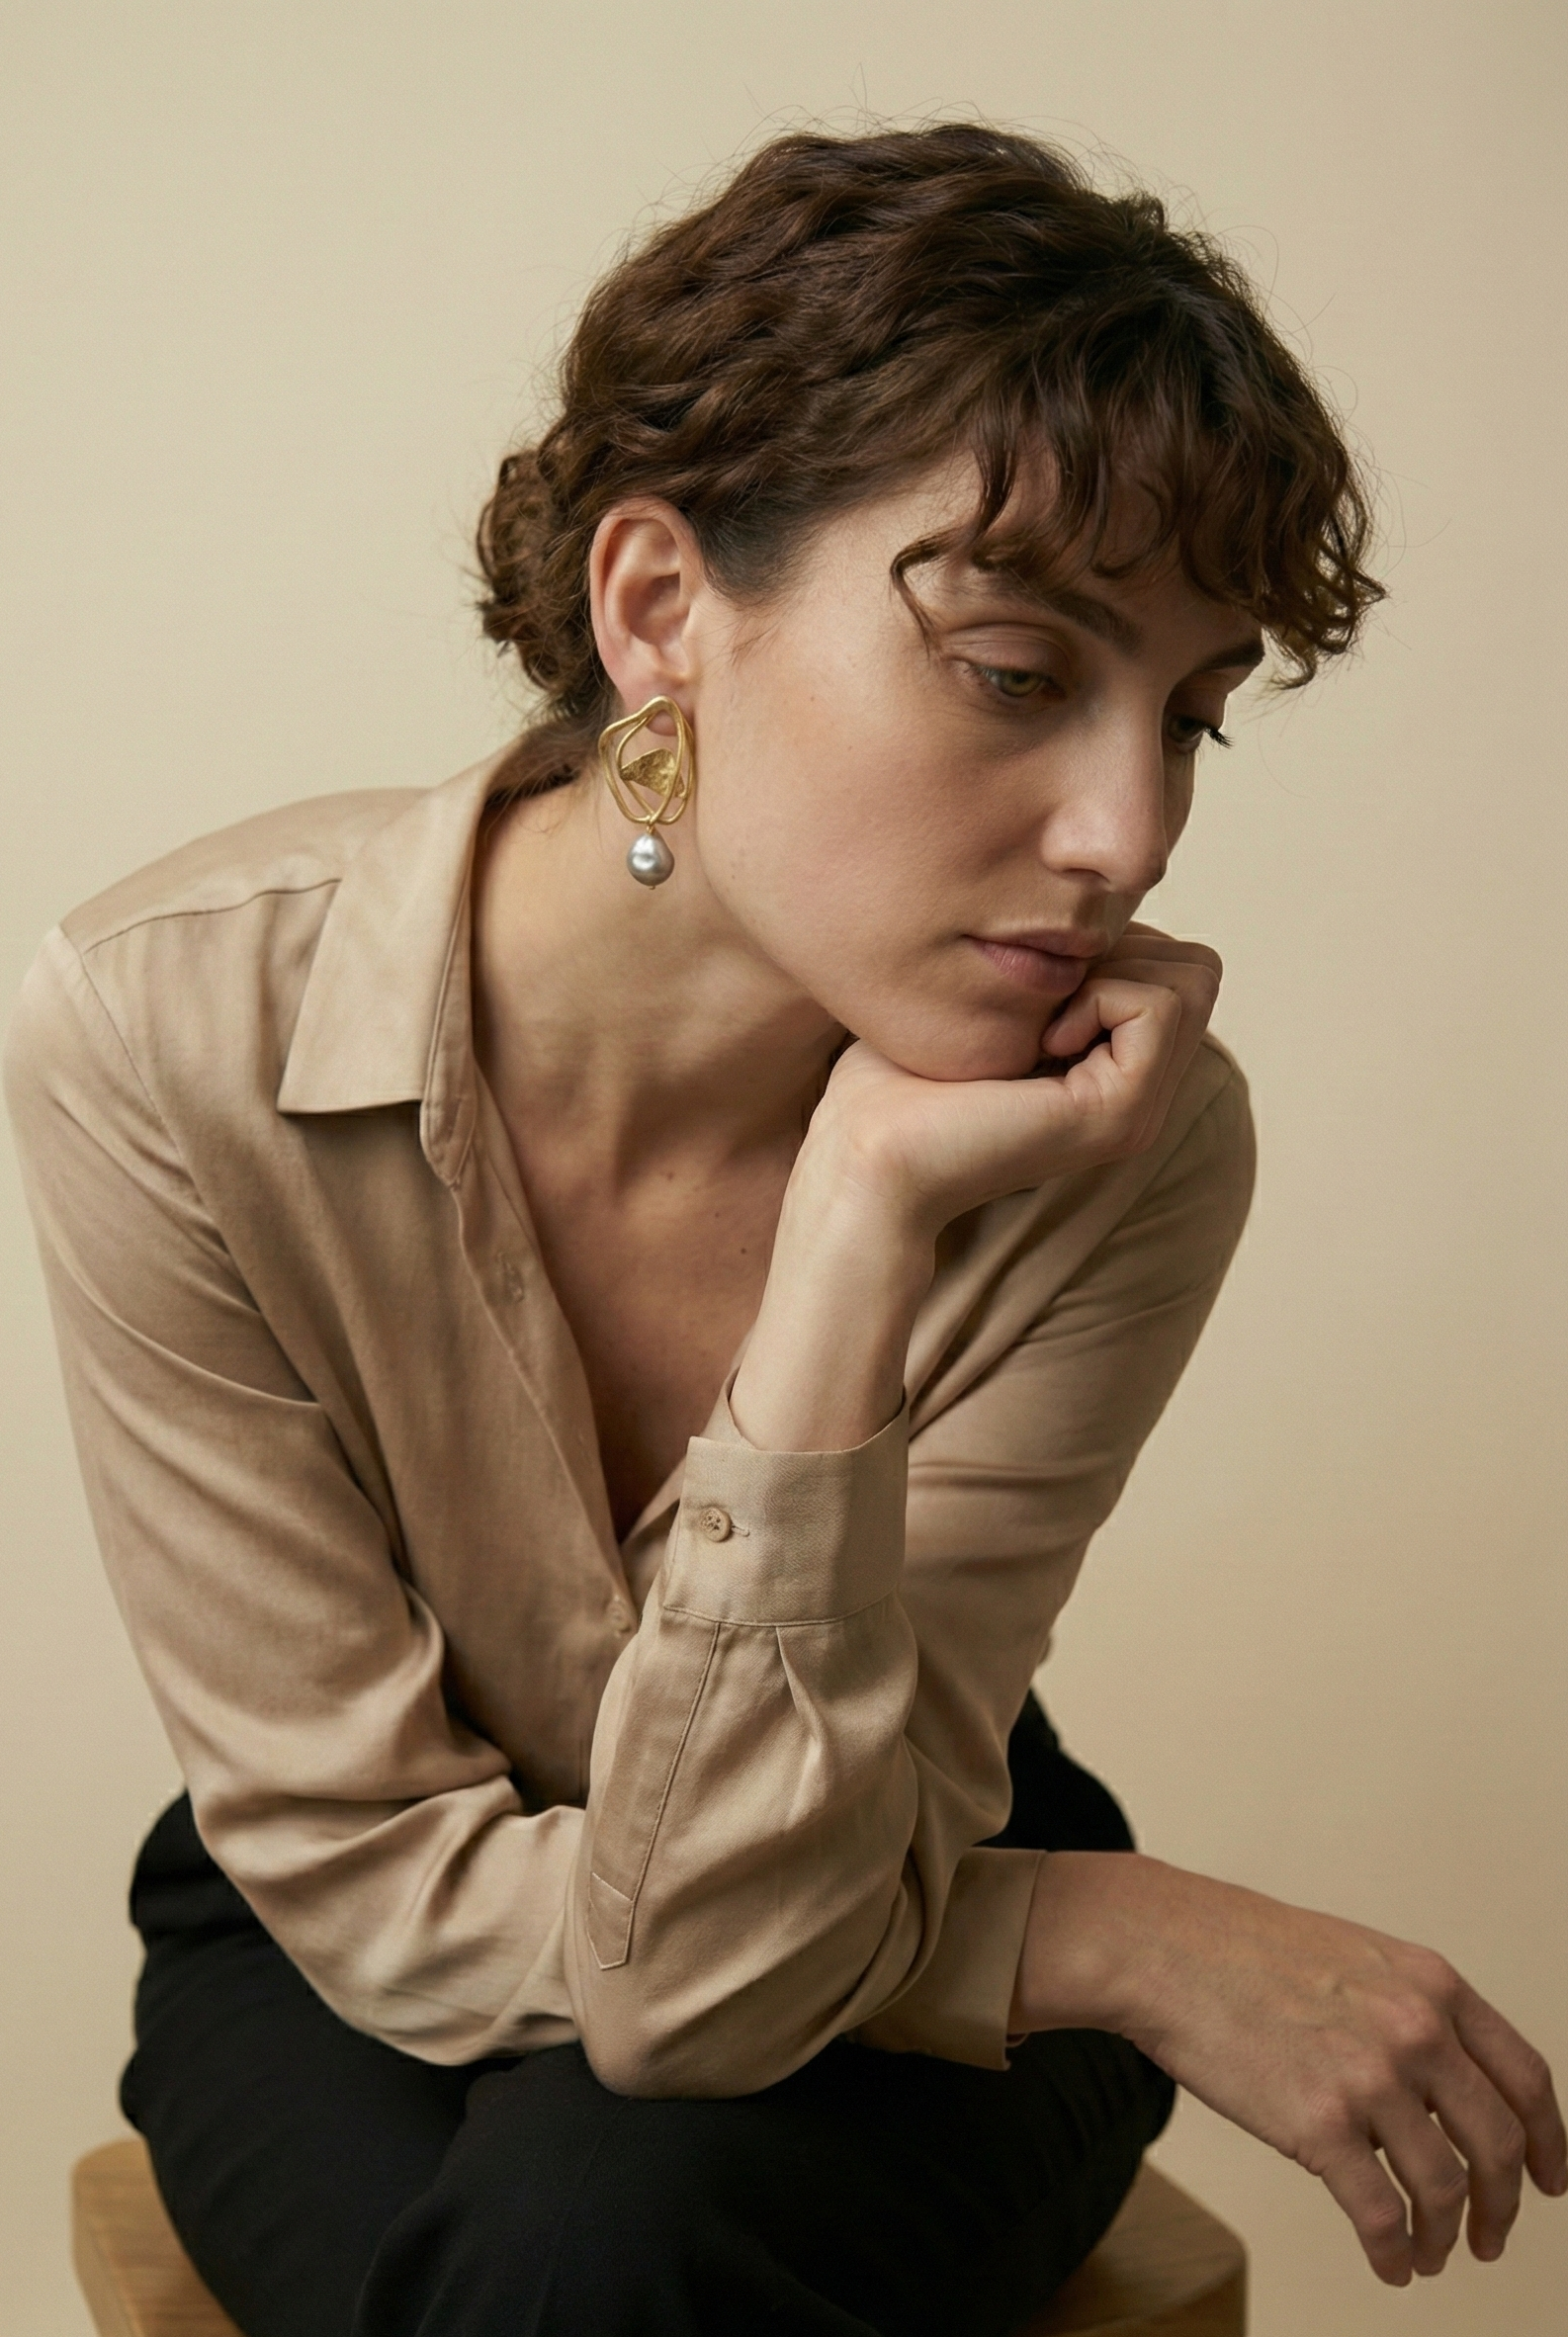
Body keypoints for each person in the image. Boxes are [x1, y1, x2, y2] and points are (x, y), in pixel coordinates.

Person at [7, 122, 1562, 2337]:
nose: (1126, 832)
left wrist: (858, 1221)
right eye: (1018, 672)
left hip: (886, 1846)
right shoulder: (168, 1034)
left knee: (592, 2248)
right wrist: (1096, 1933)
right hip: (360, 1910)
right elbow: (382, 1870)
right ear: (659, 611)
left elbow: (729, 1982)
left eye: (1188, 719)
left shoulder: (1124, 1140)